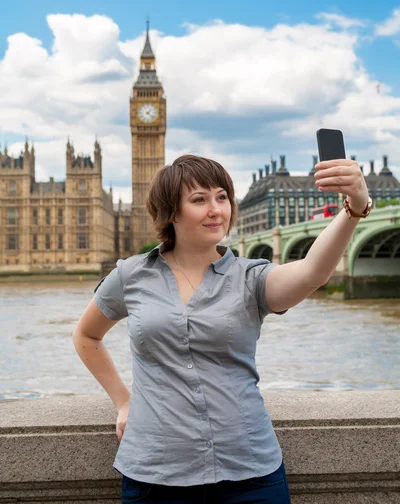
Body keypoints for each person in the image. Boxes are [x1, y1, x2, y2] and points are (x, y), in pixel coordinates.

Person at [72, 153, 370, 504]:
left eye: (222, 197)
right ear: (171, 212)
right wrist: (123, 401)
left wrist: (355, 205)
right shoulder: (131, 275)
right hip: (154, 473)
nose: (216, 209)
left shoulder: (251, 277)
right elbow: (87, 335)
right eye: (199, 200)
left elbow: (312, 272)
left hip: (249, 472)